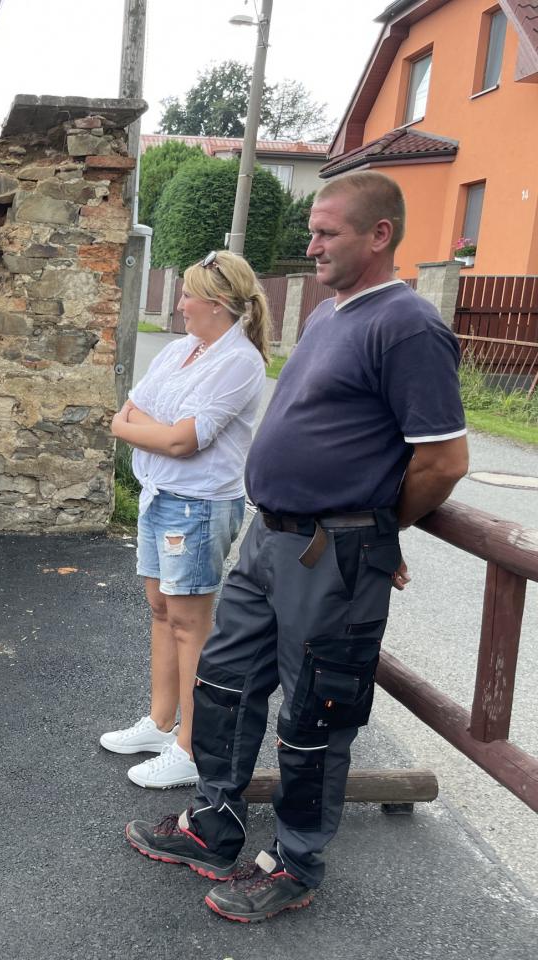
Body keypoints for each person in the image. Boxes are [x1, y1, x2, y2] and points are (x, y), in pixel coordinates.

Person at [125, 171, 469, 922]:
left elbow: (443, 461)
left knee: (315, 711)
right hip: (269, 538)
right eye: (312, 230)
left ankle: (294, 862)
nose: (310, 245)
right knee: (223, 682)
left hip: (332, 552)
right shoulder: (326, 316)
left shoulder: (407, 326)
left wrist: (378, 533)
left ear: (379, 235)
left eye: (326, 232)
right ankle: (213, 823)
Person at [103, 251, 269, 789]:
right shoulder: (180, 350)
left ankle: (192, 747)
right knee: (160, 611)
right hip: (160, 497)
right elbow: (130, 412)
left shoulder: (240, 362)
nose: (179, 304)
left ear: (217, 304)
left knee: (188, 624)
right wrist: (156, 429)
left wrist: (140, 430)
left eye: (188, 294)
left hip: (198, 506)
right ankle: (159, 723)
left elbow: (183, 440)